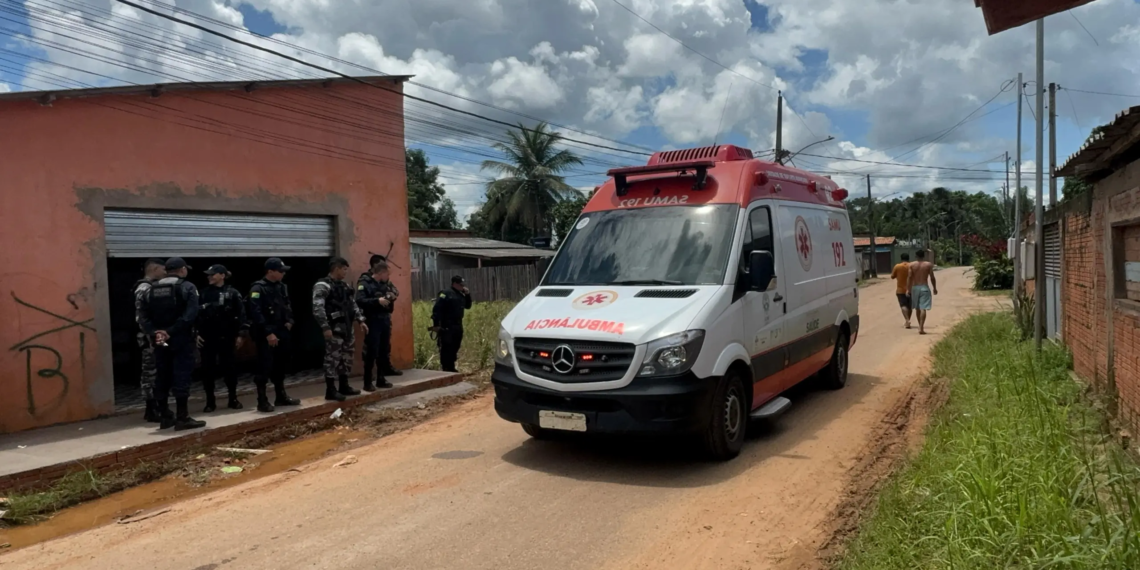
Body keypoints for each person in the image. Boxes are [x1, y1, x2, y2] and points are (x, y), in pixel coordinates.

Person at [138, 257, 205, 431]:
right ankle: (182, 417)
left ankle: (165, 416)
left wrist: (156, 332)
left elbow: (142, 316)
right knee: (182, 375)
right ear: (182, 270)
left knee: (162, 375)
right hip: (180, 338)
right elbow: (191, 314)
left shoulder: (150, 289)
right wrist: (171, 331)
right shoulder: (187, 287)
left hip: (160, 339)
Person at [247, 258, 302, 412]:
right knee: (264, 366)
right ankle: (262, 400)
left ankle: (281, 396)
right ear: (270, 271)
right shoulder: (258, 288)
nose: (283, 274)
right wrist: (268, 332)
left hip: (281, 331)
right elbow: (255, 312)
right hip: (266, 333)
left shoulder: (281, 287)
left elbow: (287, 305)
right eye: (280, 271)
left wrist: (290, 320)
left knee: (281, 365)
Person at [314, 257, 368, 401]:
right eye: (344, 269)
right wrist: (325, 327)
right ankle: (330, 390)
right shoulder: (322, 285)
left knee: (346, 357)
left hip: (347, 327)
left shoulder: (344, 286)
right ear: (336, 268)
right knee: (332, 359)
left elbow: (352, 304)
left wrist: (360, 320)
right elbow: (318, 308)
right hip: (334, 328)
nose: (345, 272)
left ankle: (344, 385)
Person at [197, 264, 248, 413]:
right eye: (208, 274)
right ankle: (210, 401)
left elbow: (242, 314)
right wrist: (196, 333)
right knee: (207, 370)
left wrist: (241, 334)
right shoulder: (203, 294)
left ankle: (233, 398)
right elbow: (195, 315)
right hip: (208, 337)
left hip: (227, 336)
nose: (209, 277)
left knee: (230, 369)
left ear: (222, 276)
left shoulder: (232, 293)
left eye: (213, 274)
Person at [356, 256, 400, 391]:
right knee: (371, 351)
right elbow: (359, 300)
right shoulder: (365, 283)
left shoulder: (384, 284)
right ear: (381, 273)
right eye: (387, 274)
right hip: (372, 321)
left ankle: (381, 379)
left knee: (383, 350)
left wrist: (391, 297)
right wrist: (377, 301)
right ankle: (368, 382)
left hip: (384, 319)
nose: (388, 277)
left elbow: (394, 292)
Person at [133, 258, 166, 423]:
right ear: (154, 269)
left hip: (152, 337)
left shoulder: (152, 287)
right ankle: (151, 408)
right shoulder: (144, 288)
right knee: (150, 373)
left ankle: (156, 407)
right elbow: (141, 318)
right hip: (149, 338)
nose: (165, 273)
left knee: (156, 372)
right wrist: (153, 334)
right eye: (163, 269)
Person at [432, 275, 472, 373]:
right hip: (447, 325)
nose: (462, 287)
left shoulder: (460, 294)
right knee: (447, 347)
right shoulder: (445, 293)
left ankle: (451, 366)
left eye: (463, 285)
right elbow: (437, 309)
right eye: (460, 285)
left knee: (456, 345)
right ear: (454, 284)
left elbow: (468, 306)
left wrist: (467, 294)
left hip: (458, 324)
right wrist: (436, 324)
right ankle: (446, 367)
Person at [908, 250, 938, 335]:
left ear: (916, 256)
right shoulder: (928, 265)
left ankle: (919, 326)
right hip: (924, 287)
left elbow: (909, 277)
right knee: (923, 308)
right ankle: (921, 327)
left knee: (917, 308)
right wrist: (934, 288)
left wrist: (908, 289)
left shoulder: (912, 265)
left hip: (915, 287)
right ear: (924, 256)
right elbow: (932, 277)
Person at [890, 253, 913, 329]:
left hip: (900, 290)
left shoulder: (897, 266)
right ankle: (908, 321)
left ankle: (907, 320)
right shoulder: (912, 266)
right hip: (911, 289)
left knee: (903, 305)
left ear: (901, 258)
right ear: (908, 258)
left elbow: (892, 276)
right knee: (910, 306)